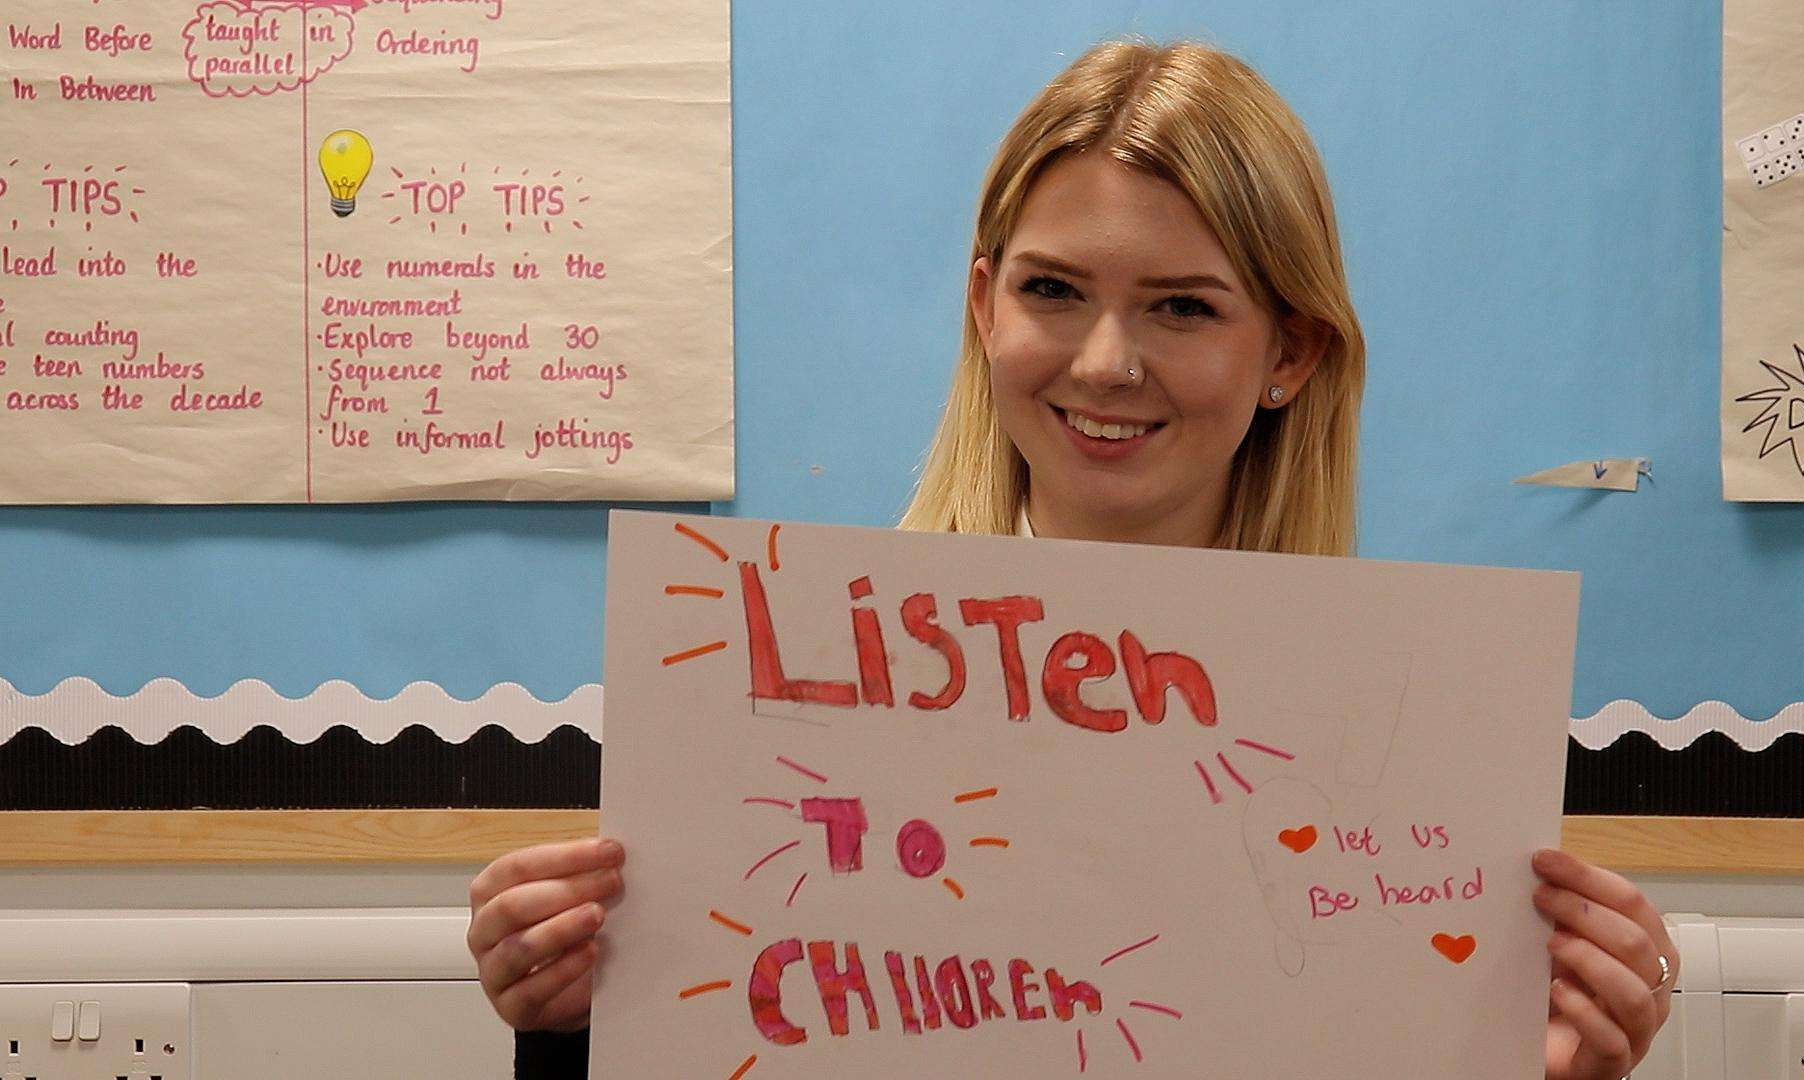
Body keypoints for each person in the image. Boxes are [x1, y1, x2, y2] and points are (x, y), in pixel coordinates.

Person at [468, 37, 1678, 1080]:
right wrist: (574, 1026)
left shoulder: (1404, 757)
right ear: (985, 307)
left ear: (1292, 354)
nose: (1104, 363)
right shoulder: (789, 709)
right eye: (1055, 290)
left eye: (1183, 306)